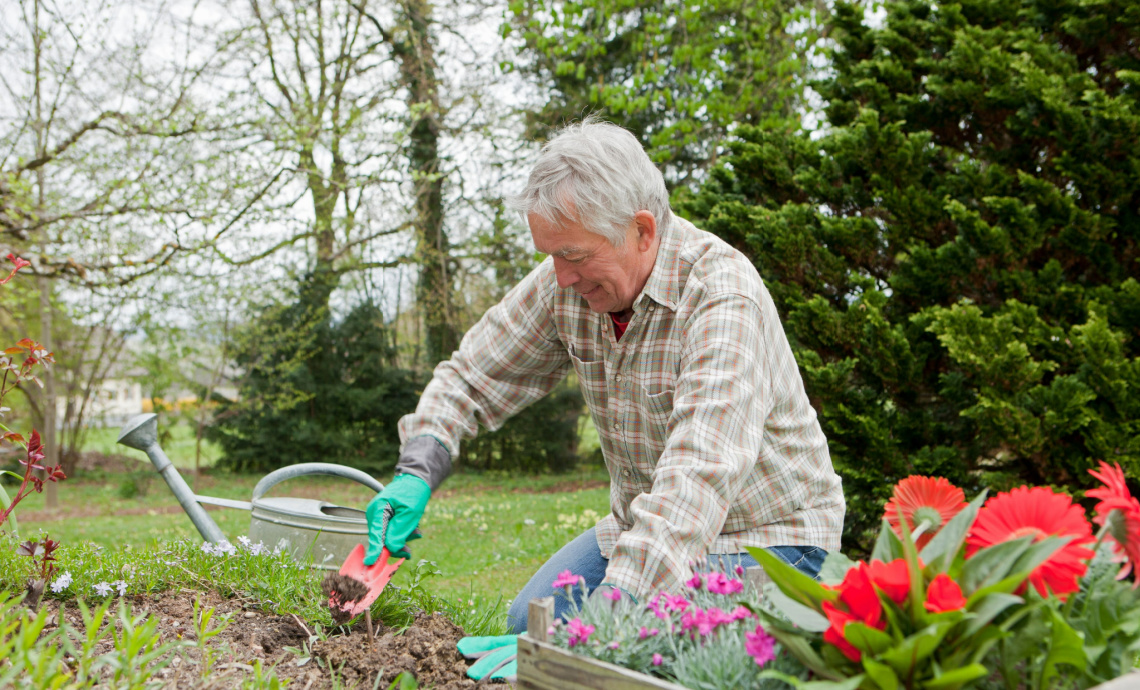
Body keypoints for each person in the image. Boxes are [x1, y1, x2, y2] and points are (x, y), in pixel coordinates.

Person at [364, 118, 845, 635]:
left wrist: (610, 617)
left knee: (633, 656)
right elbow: (472, 375)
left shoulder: (721, 296)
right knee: (531, 626)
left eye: (574, 255)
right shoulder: (566, 282)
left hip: (772, 540)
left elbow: (699, 475)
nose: (562, 277)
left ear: (642, 230)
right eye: (551, 256)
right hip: (642, 527)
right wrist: (418, 467)